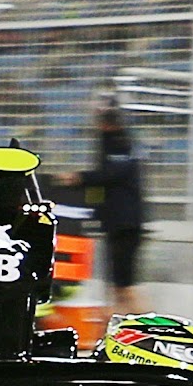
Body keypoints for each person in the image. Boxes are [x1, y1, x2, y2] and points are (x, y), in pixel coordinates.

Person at [70, 100, 150, 313]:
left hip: (126, 223)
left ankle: (148, 323)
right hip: (117, 222)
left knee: (124, 286)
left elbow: (111, 174)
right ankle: (119, 320)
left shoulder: (122, 143)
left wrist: (80, 178)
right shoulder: (112, 141)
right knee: (118, 286)